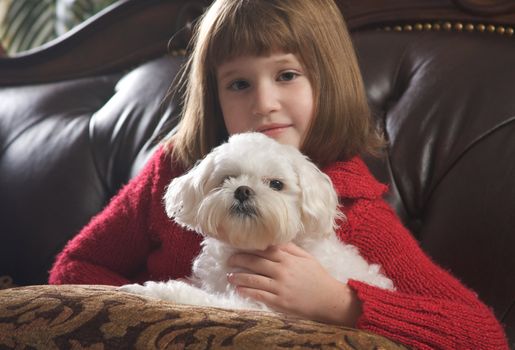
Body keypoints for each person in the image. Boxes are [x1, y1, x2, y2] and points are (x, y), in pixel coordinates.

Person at [49, 0, 508, 348]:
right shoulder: (174, 168)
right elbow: (73, 269)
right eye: (239, 83)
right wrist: (157, 311)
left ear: (325, 81)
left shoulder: (352, 209)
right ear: (215, 95)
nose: (263, 103)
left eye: (286, 75)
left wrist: (339, 304)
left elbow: (482, 334)